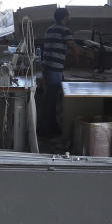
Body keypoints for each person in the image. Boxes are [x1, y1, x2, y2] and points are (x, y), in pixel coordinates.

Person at [38, 7, 83, 137]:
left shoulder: (49, 29)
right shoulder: (65, 30)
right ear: (64, 17)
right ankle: (45, 130)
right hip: (55, 68)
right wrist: (88, 53)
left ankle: (51, 127)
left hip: (47, 67)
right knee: (51, 99)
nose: (70, 18)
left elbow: (56, 47)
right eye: (69, 16)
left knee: (49, 98)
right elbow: (75, 48)